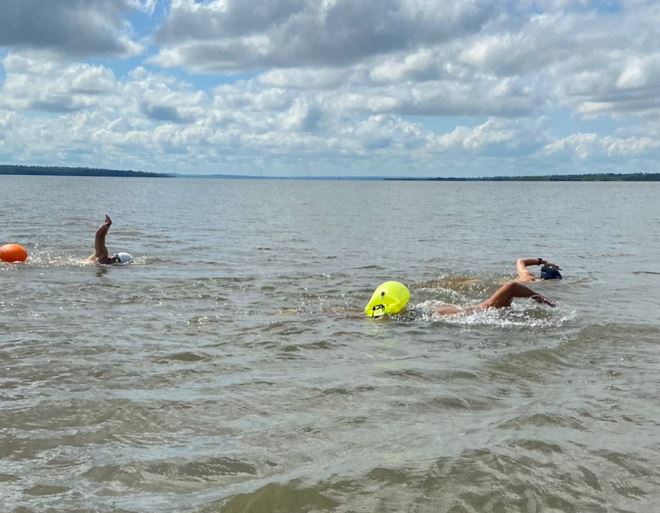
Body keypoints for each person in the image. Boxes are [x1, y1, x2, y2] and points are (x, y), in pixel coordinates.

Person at [434, 280, 555, 316]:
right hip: (463, 313)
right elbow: (511, 286)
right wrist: (540, 297)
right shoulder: (495, 305)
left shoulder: (501, 306)